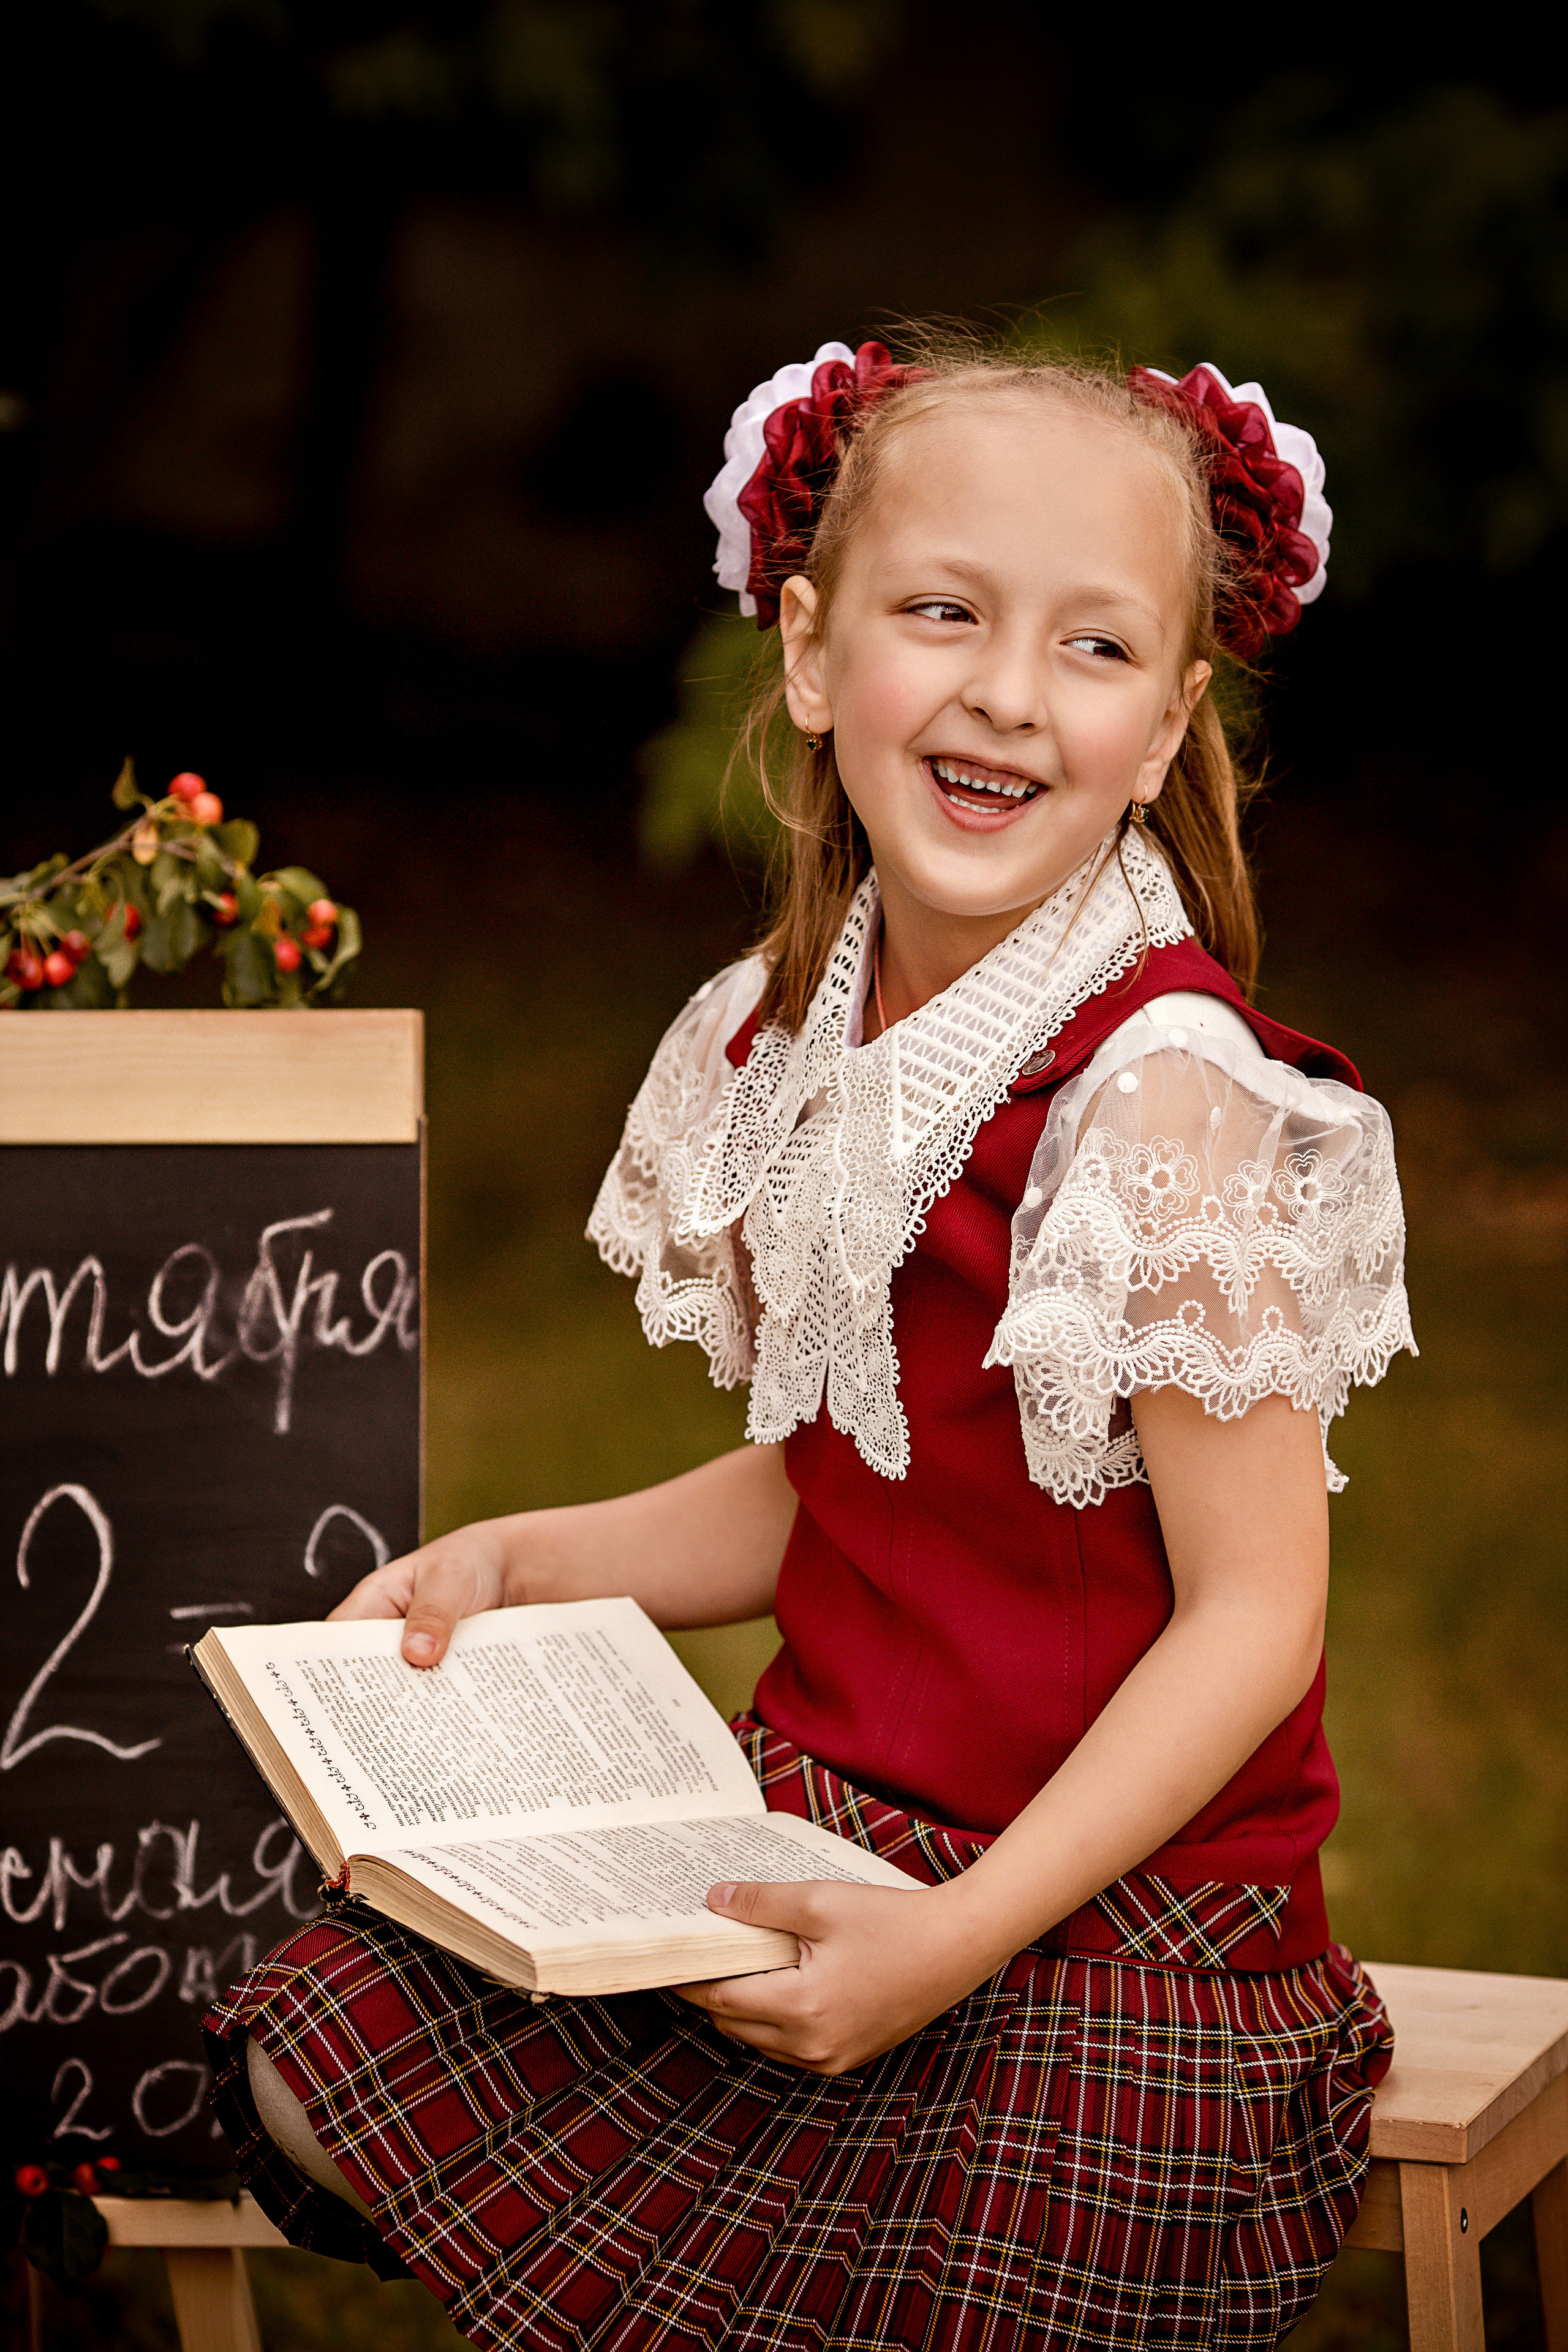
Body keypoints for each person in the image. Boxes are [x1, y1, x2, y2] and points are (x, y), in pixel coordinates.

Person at [206, 337, 1417, 2350]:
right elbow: (851, 1479)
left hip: (1102, 1933)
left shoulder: (1171, 1096)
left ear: (1170, 718)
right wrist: (537, 1554)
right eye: (942, 613)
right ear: (804, 648)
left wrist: (947, 1942)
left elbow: (1253, 1617)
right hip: (827, 1840)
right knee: (310, 2051)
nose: (1009, 695)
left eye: (1095, 649)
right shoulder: (798, 1043)